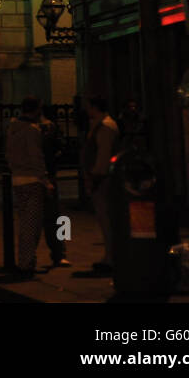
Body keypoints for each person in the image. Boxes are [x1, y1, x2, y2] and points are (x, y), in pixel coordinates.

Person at [6, 96, 53, 277]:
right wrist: (45, 180)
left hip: (17, 179)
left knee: (25, 223)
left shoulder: (12, 127)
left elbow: (9, 154)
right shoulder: (32, 130)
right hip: (32, 181)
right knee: (31, 226)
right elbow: (36, 158)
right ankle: (26, 264)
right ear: (37, 109)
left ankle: (26, 261)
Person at [83, 96, 120, 274]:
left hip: (102, 179)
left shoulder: (105, 126)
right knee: (105, 219)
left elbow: (103, 156)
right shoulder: (100, 125)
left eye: (89, 106)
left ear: (95, 107)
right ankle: (110, 255)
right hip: (100, 177)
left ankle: (112, 257)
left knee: (107, 219)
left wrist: (95, 176)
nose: (87, 110)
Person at [38, 108, 70, 267]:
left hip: (35, 176)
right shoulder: (50, 129)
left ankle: (29, 257)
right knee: (55, 216)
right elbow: (61, 148)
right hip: (47, 174)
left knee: (44, 217)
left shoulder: (25, 128)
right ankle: (59, 254)